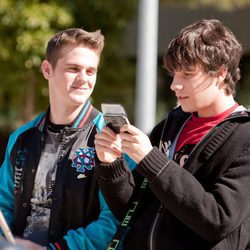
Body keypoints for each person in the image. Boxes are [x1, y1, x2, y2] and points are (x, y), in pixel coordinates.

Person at [94, 19, 250, 249]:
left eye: (187, 73)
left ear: (220, 73)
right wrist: (111, 166)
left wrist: (151, 160)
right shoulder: (172, 123)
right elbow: (132, 210)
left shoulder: (244, 135)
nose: (175, 84)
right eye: (174, 74)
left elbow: (217, 220)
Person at [0, 28, 119, 250]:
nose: (83, 79)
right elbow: (3, 204)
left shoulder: (111, 137)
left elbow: (115, 219)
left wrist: (55, 249)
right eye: (73, 69)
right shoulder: (21, 137)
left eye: (91, 71)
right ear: (47, 69)